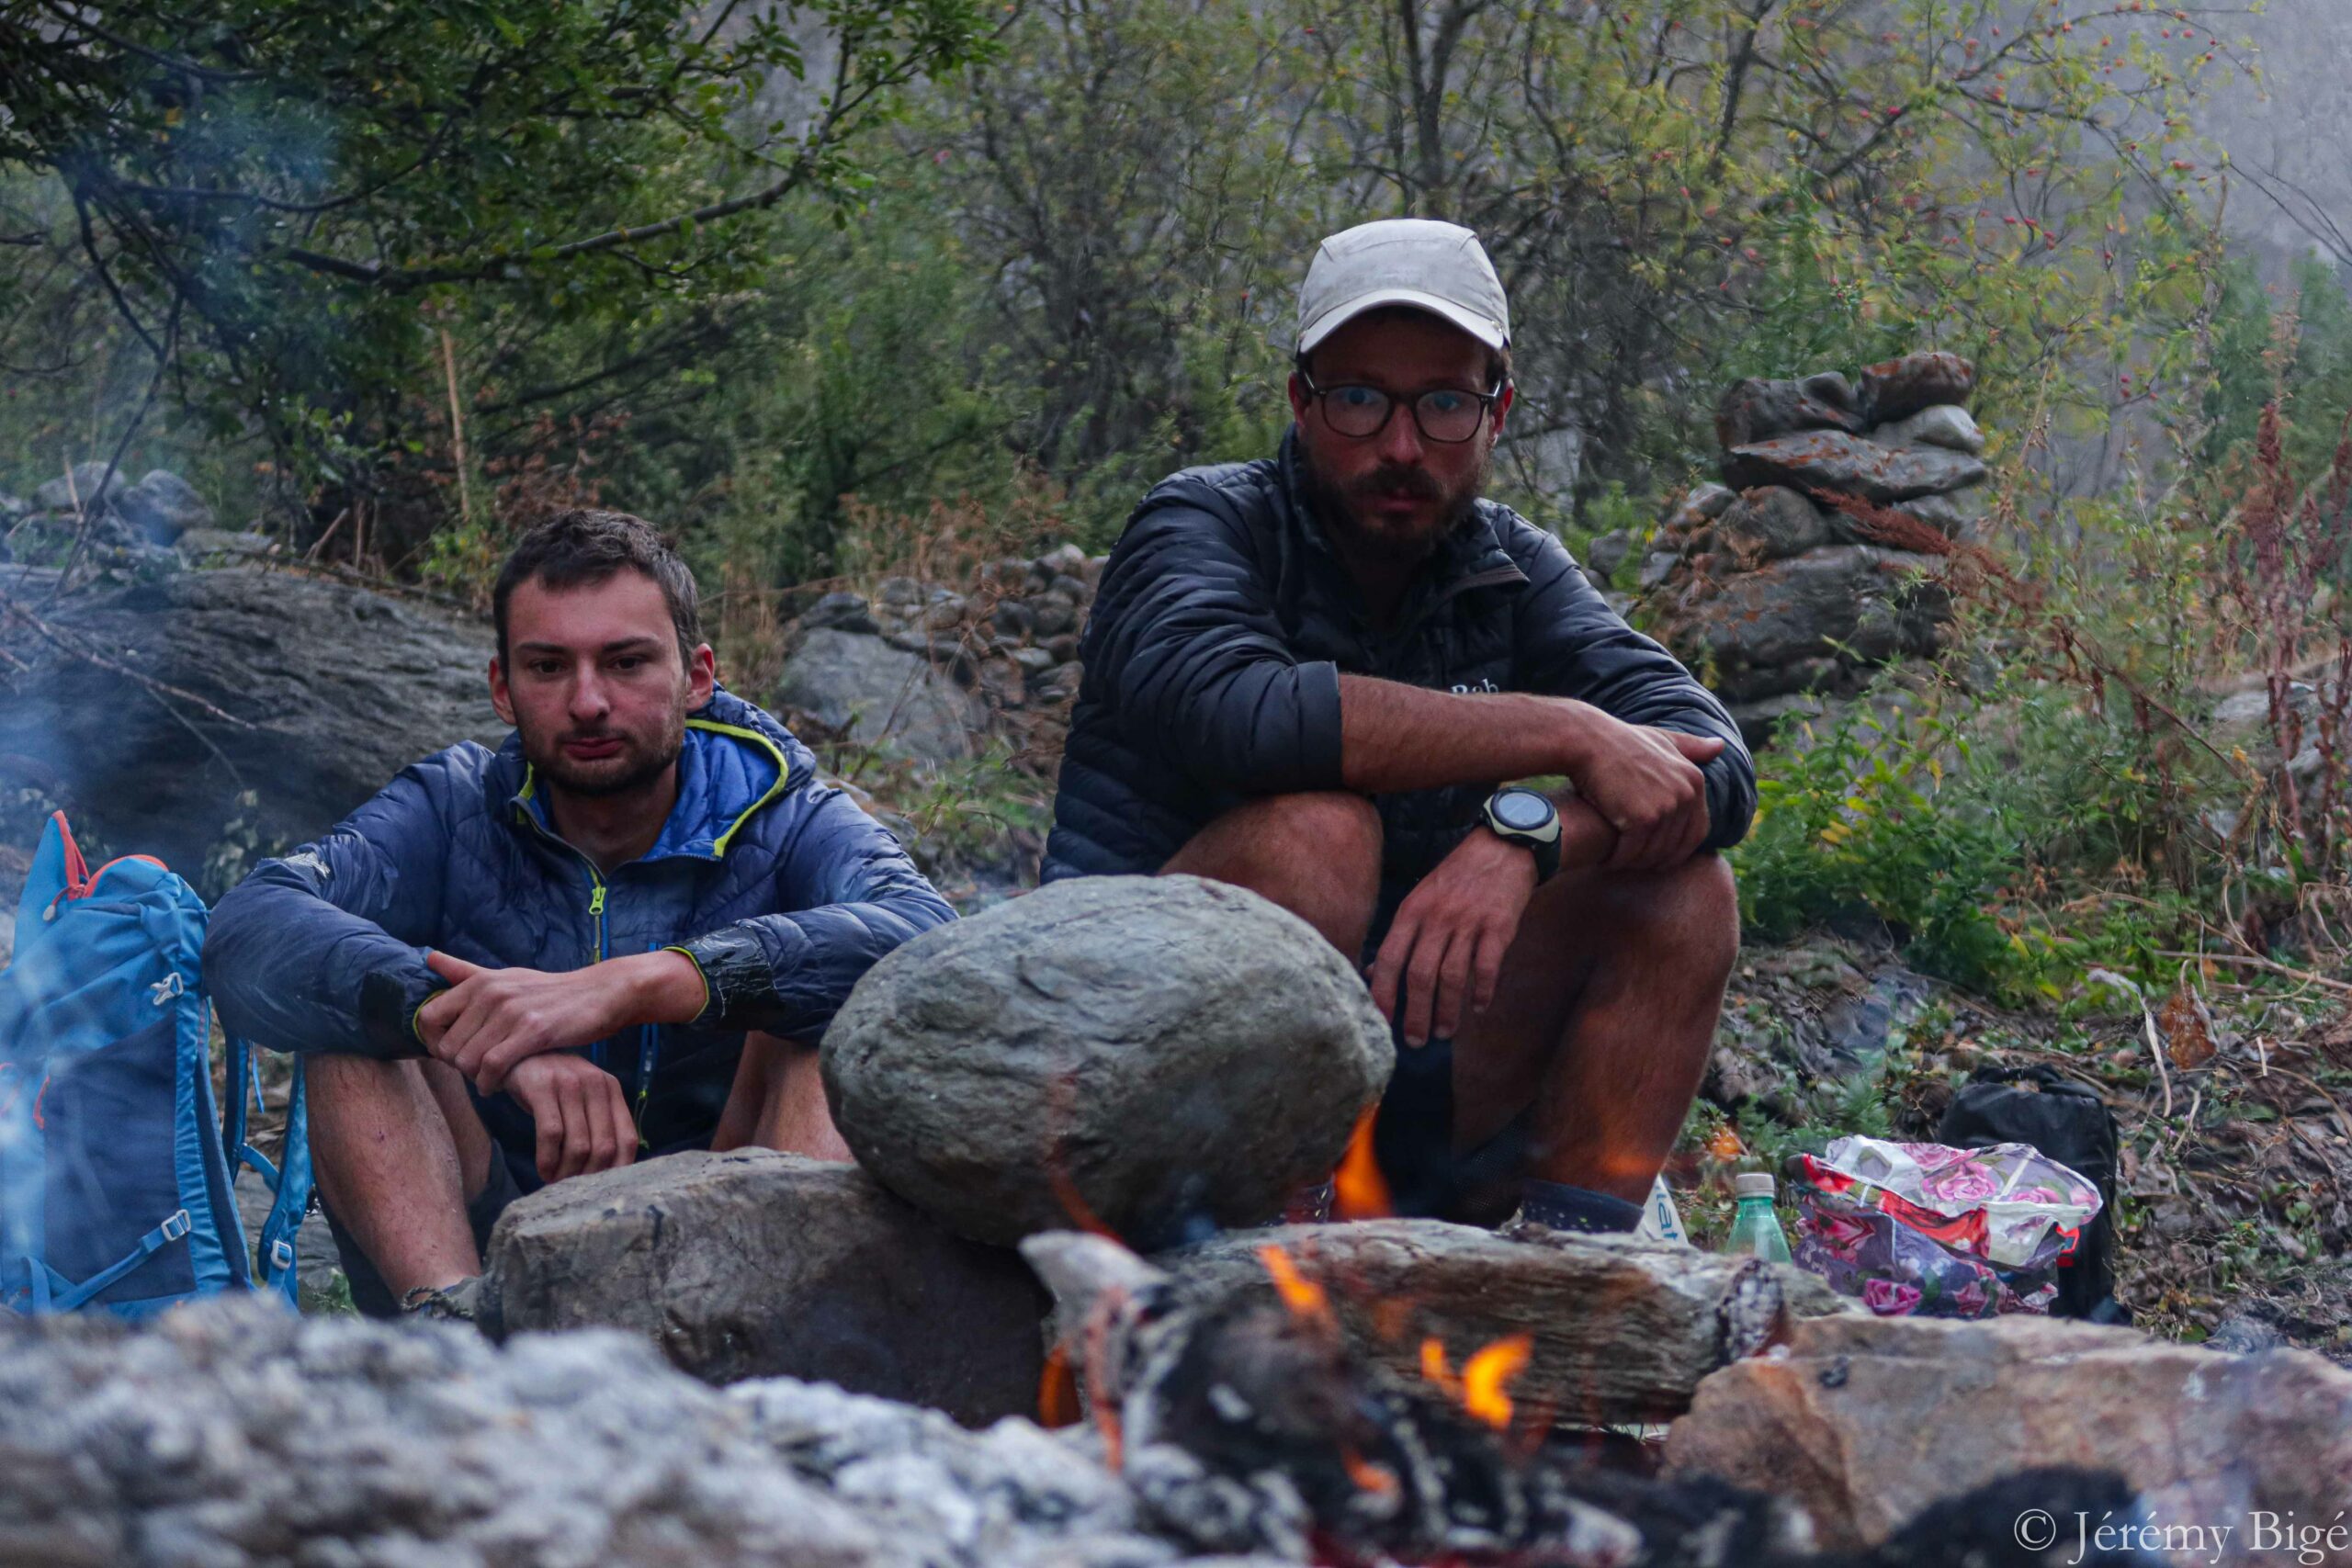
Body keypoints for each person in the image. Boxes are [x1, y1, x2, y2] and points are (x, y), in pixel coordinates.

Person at [1042, 219, 1753, 1231]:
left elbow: (1705, 758)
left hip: (1417, 1069)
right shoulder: (1200, 524)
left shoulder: (1512, 568)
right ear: (1300, 400)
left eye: (1445, 403)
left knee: (1684, 891)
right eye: (1360, 400)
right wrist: (1560, 730)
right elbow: (1234, 710)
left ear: (1497, 411)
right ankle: (1251, 1280)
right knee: (1318, 835)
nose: (1401, 445)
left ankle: (1571, 1312)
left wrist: (1527, 836)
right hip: (1139, 1078)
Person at [206, 509, 955, 1316]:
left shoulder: (787, 812)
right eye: (549, 666)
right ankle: (454, 1346)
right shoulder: (454, 806)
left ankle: (769, 1360)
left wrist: (653, 980)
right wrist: (474, 1029)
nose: (589, 700)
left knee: (826, 1015)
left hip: (729, 1236)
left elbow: (931, 940)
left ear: (697, 677)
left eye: (627, 662)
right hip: (484, 1231)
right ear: (503, 687)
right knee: (351, 1017)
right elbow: (250, 923)